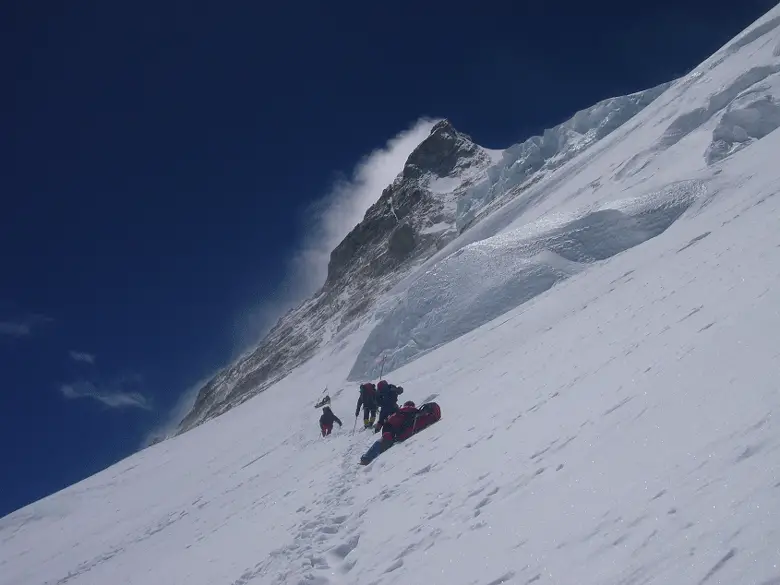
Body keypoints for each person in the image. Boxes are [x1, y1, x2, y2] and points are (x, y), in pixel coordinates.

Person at [360, 400, 441, 465]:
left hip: (397, 435)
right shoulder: (417, 413)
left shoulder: (399, 412)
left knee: (382, 440)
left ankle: (367, 457)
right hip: (407, 432)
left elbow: (388, 424)